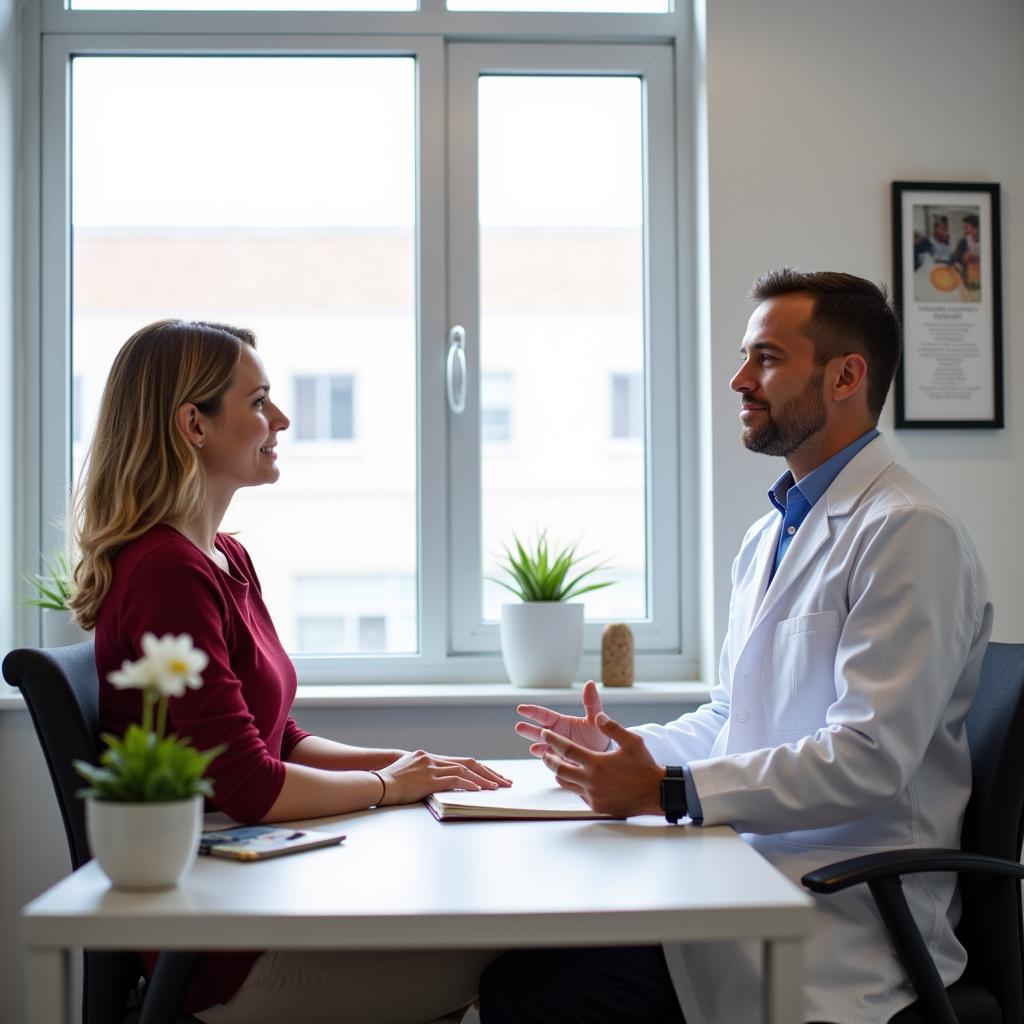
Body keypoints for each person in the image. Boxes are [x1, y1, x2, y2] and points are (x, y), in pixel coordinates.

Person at [479, 270, 993, 1024]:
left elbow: (870, 758)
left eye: (767, 359)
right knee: (531, 964)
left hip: (845, 915)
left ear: (846, 375)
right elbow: (733, 714)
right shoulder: (770, 534)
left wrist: (667, 791)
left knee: (541, 989)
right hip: (749, 875)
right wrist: (624, 748)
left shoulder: (910, 531)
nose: (739, 379)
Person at [70, 319, 509, 1024]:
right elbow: (249, 786)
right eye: (259, 401)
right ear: (194, 424)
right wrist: (385, 787)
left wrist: (408, 765)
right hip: (222, 952)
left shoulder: (223, 558)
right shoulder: (166, 573)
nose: (282, 419)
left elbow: (277, 738)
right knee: (520, 955)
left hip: (247, 908)